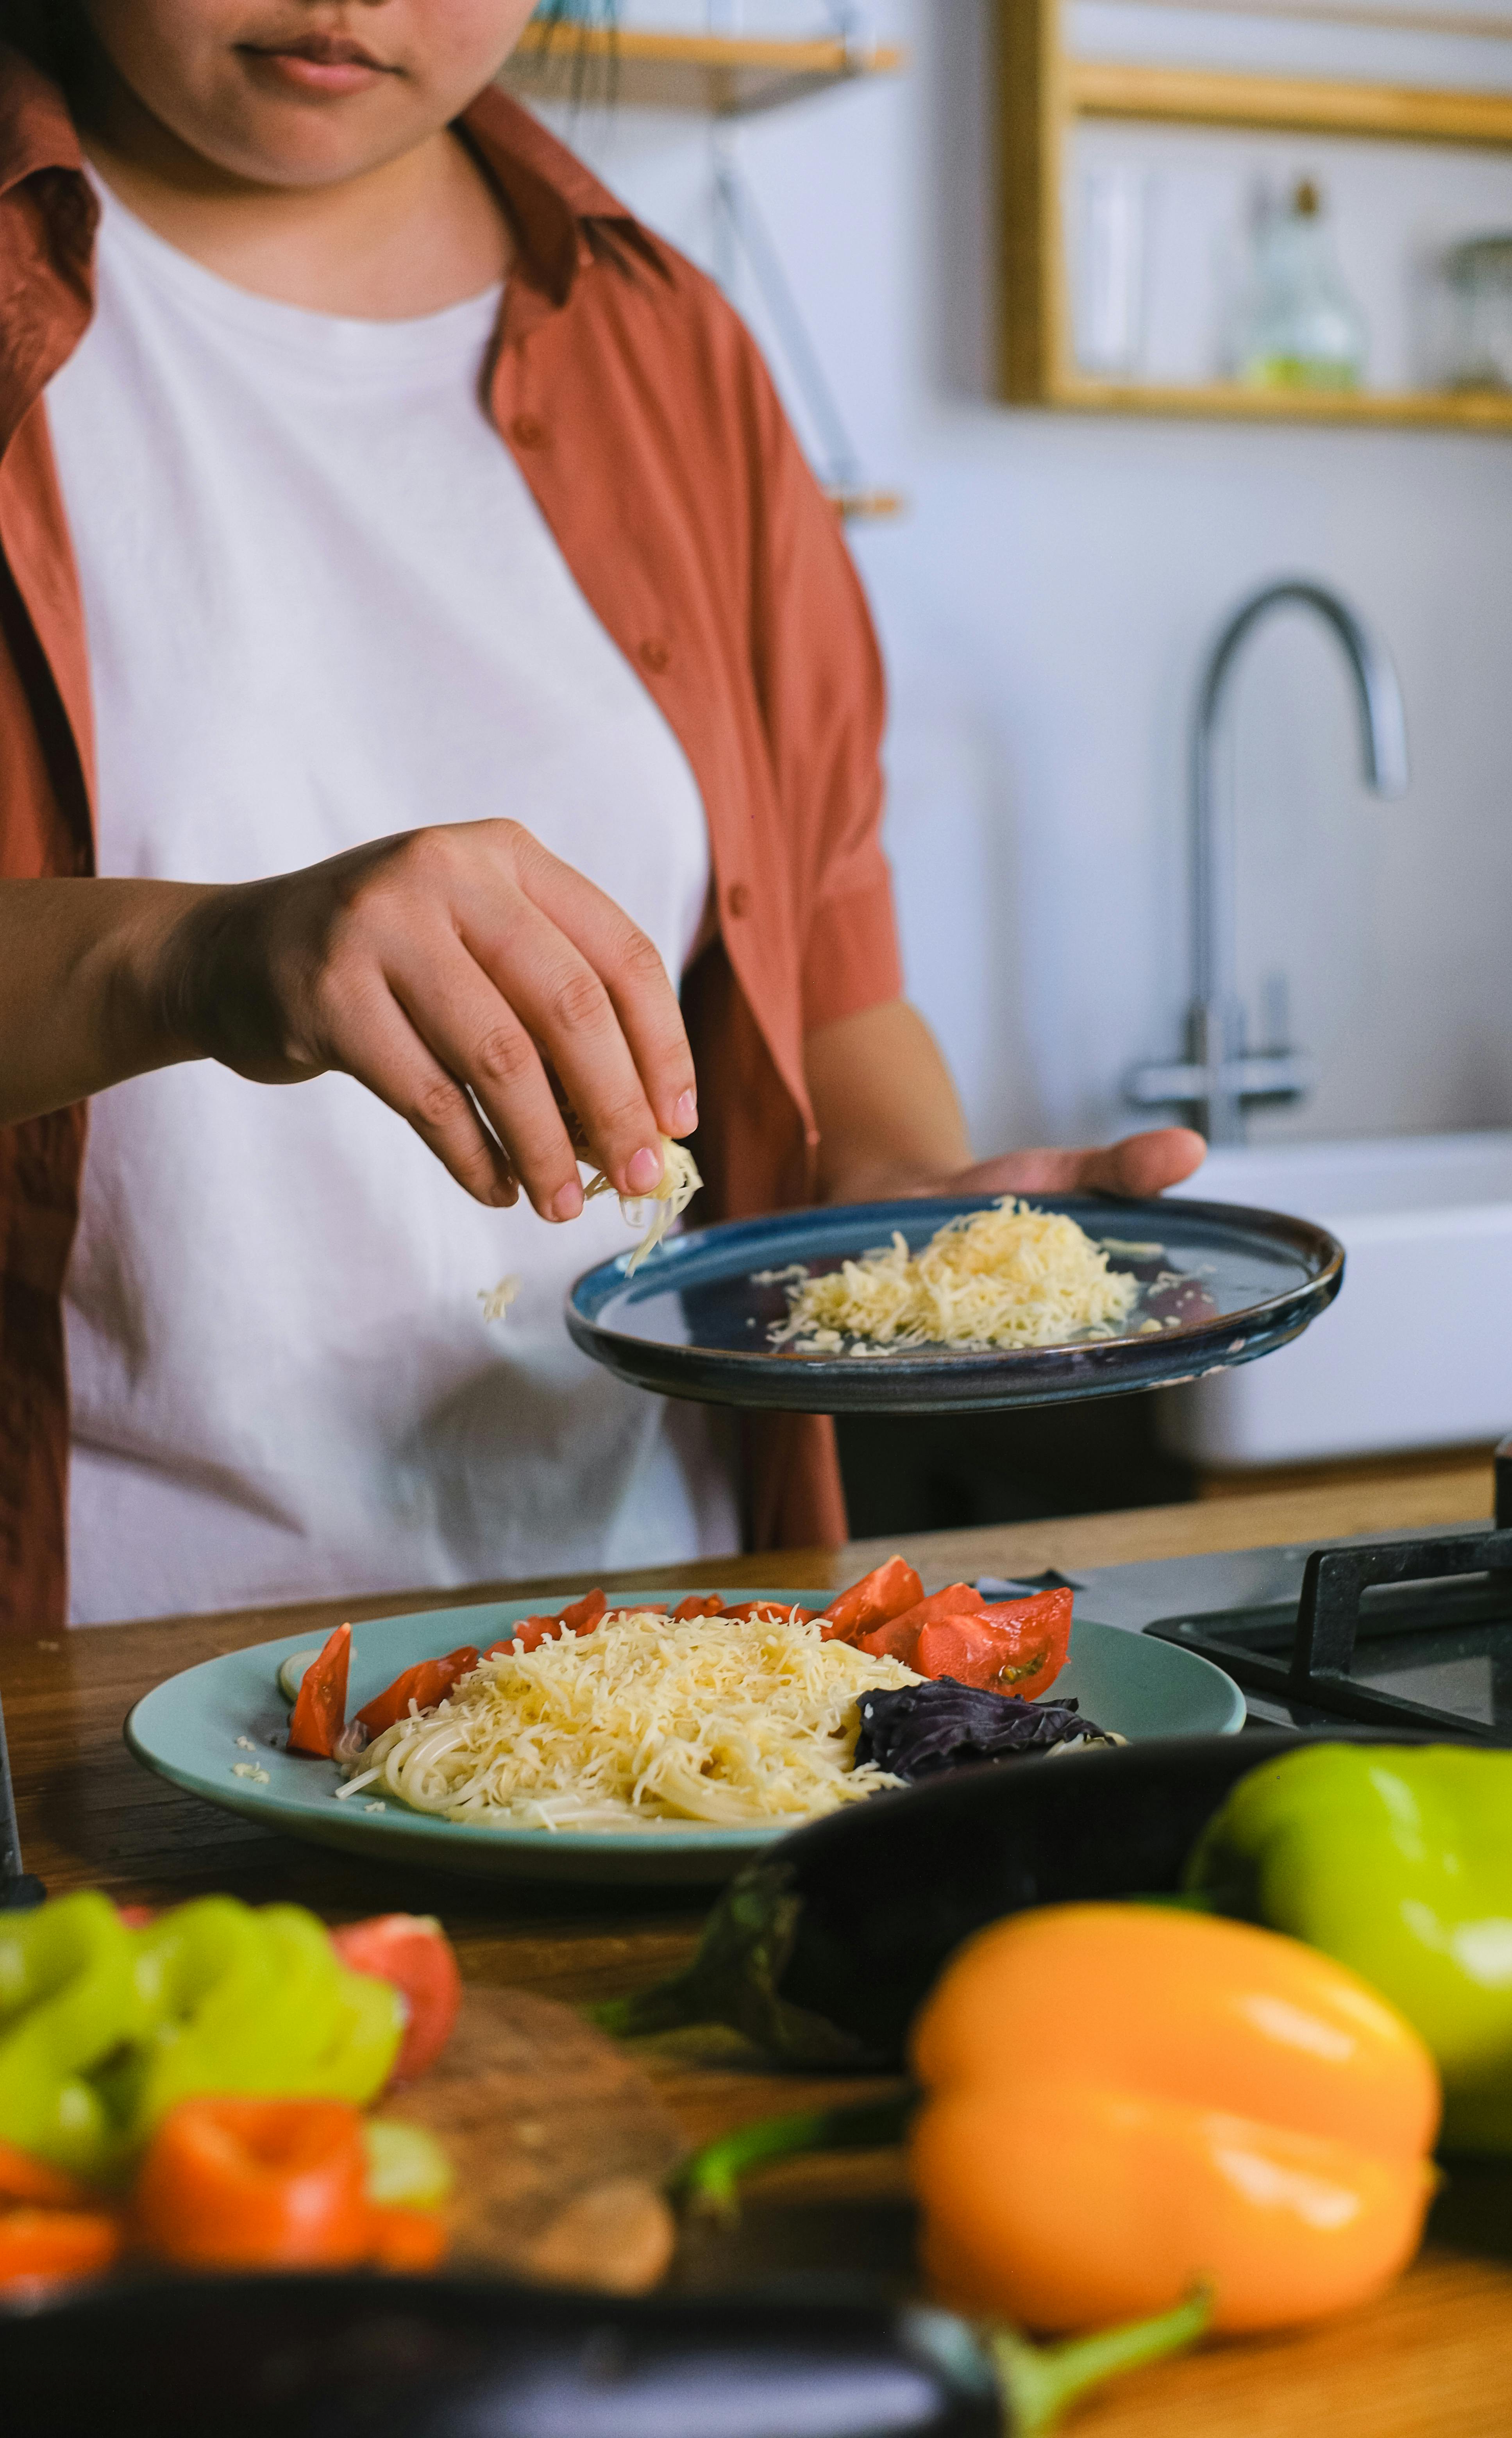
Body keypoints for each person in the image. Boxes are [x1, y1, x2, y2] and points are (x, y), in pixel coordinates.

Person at [0, 0, 1203, 1636]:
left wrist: (933, 1227)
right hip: (90, 1668)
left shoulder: (678, 350)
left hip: (654, 1667)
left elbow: (832, 998)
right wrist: (196, 955)